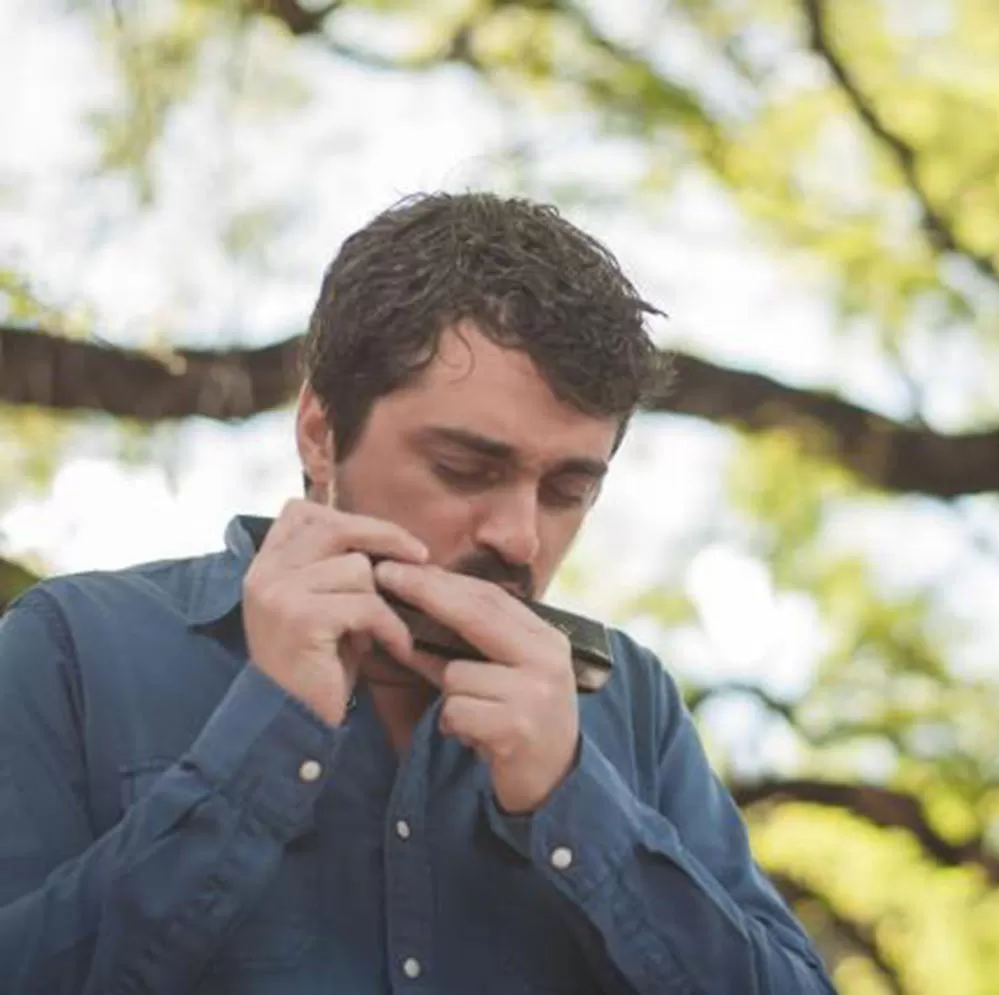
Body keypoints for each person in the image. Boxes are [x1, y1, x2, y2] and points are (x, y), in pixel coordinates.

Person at [0, 193, 838, 994]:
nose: (520, 536)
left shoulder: (630, 704)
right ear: (321, 434)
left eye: (567, 489)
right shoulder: (73, 648)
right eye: (466, 469)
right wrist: (259, 744)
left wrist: (578, 804)